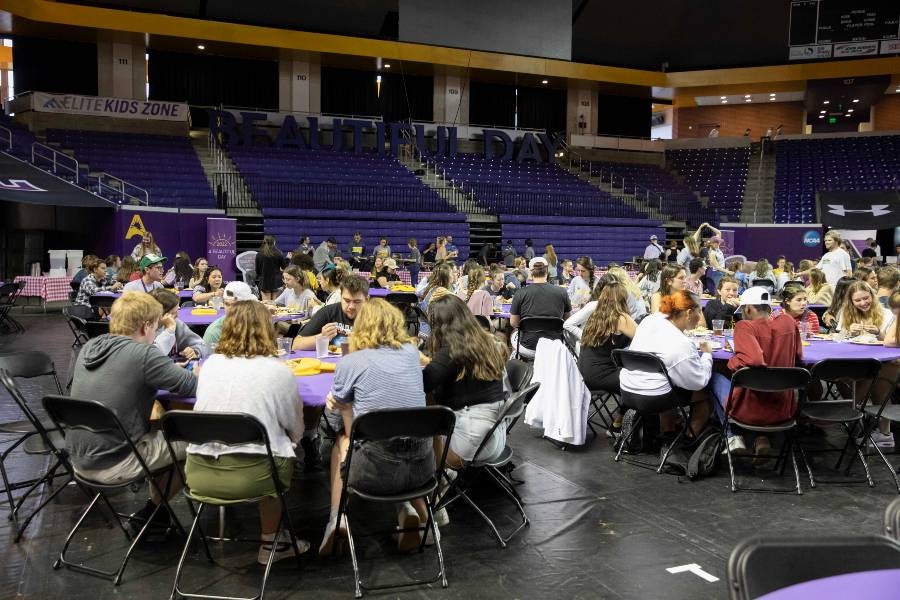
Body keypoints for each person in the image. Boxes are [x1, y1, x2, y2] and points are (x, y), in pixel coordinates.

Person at [186, 300, 309, 563]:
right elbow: (295, 428)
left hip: (199, 473)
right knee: (285, 451)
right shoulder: (279, 371)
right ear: (267, 329)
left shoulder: (209, 366)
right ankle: (270, 543)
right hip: (256, 476)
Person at [68, 292, 197, 531]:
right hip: (117, 462)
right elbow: (192, 385)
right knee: (196, 442)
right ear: (147, 325)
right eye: (156, 326)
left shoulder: (89, 347)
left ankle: (155, 514)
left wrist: (164, 369)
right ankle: (154, 510)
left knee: (159, 428)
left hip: (79, 459)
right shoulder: (144, 355)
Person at [320, 299, 433, 555]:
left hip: (373, 473)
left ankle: (337, 519)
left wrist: (340, 406)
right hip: (422, 469)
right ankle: (411, 512)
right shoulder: (412, 354)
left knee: (343, 441)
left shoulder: (351, 362)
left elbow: (342, 424)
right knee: (400, 434)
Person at [708, 286, 803, 455]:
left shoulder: (745, 326)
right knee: (762, 385)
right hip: (784, 410)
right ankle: (761, 438)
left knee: (714, 377)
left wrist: (734, 361)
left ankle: (733, 437)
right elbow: (798, 355)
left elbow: (754, 360)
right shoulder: (788, 322)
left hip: (748, 411)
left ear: (749, 308)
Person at [424, 295, 508, 471]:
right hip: (495, 438)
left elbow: (422, 385)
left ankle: (432, 485)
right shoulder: (489, 342)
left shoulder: (452, 351)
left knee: (417, 422)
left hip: (468, 446)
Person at [619, 290, 712, 437]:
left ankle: (668, 431)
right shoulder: (682, 344)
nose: (700, 316)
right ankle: (690, 437)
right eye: (699, 311)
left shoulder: (648, 321)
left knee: (668, 378)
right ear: (688, 313)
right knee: (703, 391)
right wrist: (707, 354)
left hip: (627, 391)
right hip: (654, 396)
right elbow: (698, 382)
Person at [577, 281, 637, 394]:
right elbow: (643, 337)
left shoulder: (595, 316)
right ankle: (630, 410)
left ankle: (623, 410)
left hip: (582, 374)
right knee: (645, 381)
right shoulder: (620, 318)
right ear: (623, 298)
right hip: (602, 374)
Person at [509, 257, 572, 358]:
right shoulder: (562, 292)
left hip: (528, 346)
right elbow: (568, 320)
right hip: (555, 345)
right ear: (547, 273)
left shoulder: (520, 293)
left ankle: (516, 366)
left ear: (531, 273)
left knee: (513, 333)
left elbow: (514, 323)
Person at [293, 275, 369, 351]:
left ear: (366, 299)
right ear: (340, 296)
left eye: (357, 302)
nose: (351, 306)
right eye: (347, 301)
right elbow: (296, 345)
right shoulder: (328, 312)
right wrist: (322, 337)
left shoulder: (374, 316)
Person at [150, 288, 207, 360]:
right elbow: (152, 358)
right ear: (159, 314)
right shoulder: (142, 332)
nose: (177, 315)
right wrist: (169, 331)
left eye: (177, 310)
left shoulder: (176, 323)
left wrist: (195, 351)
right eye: (173, 313)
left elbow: (202, 344)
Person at [203, 281, 258, 346]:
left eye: (236, 305)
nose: (231, 309)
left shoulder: (260, 325)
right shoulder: (214, 332)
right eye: (227, 304)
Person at [255, 235, 285, 301]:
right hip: (276, 281)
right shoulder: (278, 253)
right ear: (274, 242)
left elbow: (257, 271)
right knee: (275, 303)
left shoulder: (259, 254)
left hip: (265, 281)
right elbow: (284, 267)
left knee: (266, 305)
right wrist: (288, 259)